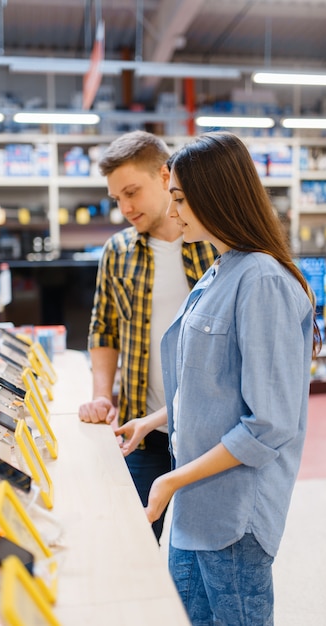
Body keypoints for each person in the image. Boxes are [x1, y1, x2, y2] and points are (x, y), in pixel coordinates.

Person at [115, 132, 321, 625]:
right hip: (194, 507)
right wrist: (153, 421)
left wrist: (170, 480)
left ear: (215, 195)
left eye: (181, 198)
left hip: (232, 516)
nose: (174, 208)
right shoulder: (219, 268)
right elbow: (212, 383)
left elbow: (267, 424)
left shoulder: (262, 281)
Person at [78, 130, 216, 541]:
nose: (125, 207)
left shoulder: (212, 245)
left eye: (132, 192)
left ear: (163, 175)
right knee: (134, 541)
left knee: (204, 550)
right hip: (142, 428)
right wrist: (103, 394)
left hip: (207, 431)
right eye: (117, 198)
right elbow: (102, 328)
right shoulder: (117, 251)